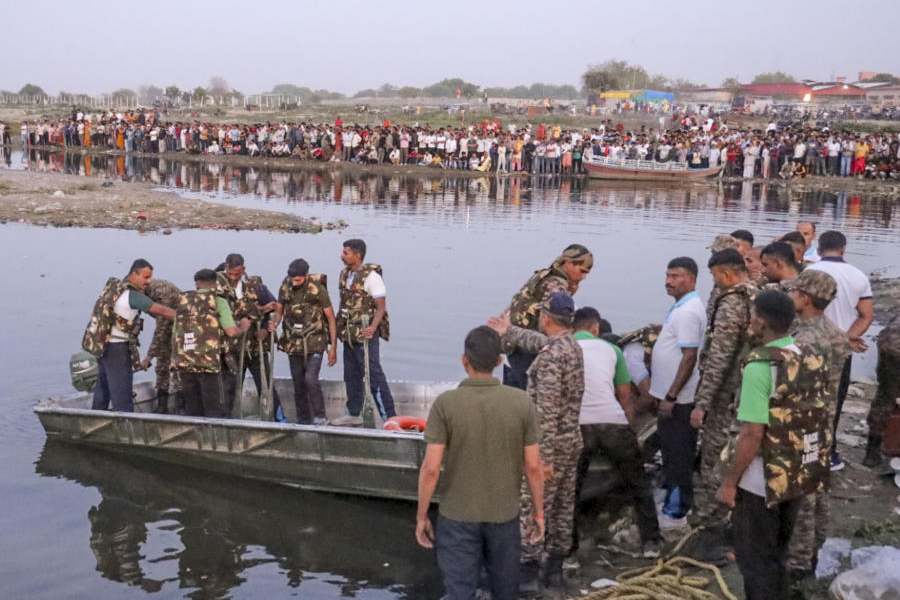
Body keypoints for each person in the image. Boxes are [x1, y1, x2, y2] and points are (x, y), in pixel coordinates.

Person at [415, 326, 545, 600]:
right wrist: (538, 514)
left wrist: (422, 516)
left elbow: (430, 469)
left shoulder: (446, 404)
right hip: (504, 517)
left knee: (459, 591)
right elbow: (533, 466)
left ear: (464, 361)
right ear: (499, 362)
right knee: (504, 591)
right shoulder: (521, 402)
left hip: (457, 516)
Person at [716, 290, 830, 600]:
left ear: (760, 321)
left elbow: (752, 433)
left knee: (755, 562)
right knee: (778, 554)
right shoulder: (809, 354)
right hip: (797, 473)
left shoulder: (759, 366)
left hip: (760, 481)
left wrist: (730, 482)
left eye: (753, 315)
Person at [488, 292, 583, 593]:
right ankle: (554, 570)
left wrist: (542, 460)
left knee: (534, 508)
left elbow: (547, 413)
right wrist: (509, 331)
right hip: (572, 441)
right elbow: (537, 342)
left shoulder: (552, 357)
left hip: (549, 446)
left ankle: (526, 576)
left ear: (545, 317)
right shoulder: (571, 345)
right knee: (563, 507)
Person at [571, 307, 663, 557]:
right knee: (639, 483)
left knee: (571, 489)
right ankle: (651, 542)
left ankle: (569, 552)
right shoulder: (611, 350)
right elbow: (625, 397)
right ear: (596, 328)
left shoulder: (561, 349)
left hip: (579, 425)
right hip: (611, 422)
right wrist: (629, 433)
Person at [690, 249, 756, 555]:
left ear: (726, 274)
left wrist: (701, 402)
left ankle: (708, 530)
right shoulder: (757, 293)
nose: (714, 283)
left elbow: (720, 357)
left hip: (726, 395)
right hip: (747, 393)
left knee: (713, 460)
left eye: (716, 277)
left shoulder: (732, 303)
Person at [784, 269, 849, 577]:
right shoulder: (834, 332)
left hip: (804, 423)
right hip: (824, 421)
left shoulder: (807, 340)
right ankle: (814, 550)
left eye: (794, 292)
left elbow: (793, 389)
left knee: (802, 496)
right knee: (818, 491)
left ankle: (798, 564)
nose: (790, 296)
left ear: (805, 298)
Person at [807, 231, 874, 470]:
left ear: (819, 247)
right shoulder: (857, 276)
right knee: (834, 400)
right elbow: (866, 315)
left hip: (809, 346)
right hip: (839, 351)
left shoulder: (809, 273)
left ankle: (805, 450)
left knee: (805, 398)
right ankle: (829, 451)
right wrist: (847, 338)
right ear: (843, 249)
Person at [650, 258, 706, 521]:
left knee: (679, 450)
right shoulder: (681, 308)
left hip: (680, 399)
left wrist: (671, 395)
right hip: (670, 395)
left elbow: (689, 357)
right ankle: (671, 491)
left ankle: (678, 507)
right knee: (670, 448)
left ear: (692, 279)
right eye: (667, 275)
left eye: (676, 276)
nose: (668, 281)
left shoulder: (688, 312)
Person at [83, 259, 175, 412]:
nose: (148, 281)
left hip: (103, 344)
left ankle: (96, 417)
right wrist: (188, 316)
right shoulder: (131, 296)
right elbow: (161, 311)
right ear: (134, 274)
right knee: (122, 393)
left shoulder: (113, 289)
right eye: (146, 277)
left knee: (103, 389)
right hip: (118, 349)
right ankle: (127, 425)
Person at [504, 244, 593, 390]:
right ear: (569, 263)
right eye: (582, 271)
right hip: (528, 352)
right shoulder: (557, 287)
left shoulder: (544, 275)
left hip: (512, 345)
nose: (583, 277)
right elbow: (554, 325)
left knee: (512, 403)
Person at [173, 269, 251, 417]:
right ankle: (216, 439)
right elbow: (231, 331)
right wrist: (243, 327)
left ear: (197, 283)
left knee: (193, 410)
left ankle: (196, 439)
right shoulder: (218, 300)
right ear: (215, 283)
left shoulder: (182, 301)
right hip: (210, 365)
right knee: (215, 411)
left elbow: (175, 333)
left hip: (186, 364)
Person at [336, 239, 396, 420]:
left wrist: (372, 328)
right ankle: (354, 413)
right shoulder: (345, 274)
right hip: (349, 335)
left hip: (365, 336)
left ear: (357, 255)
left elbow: (381, 308)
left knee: (374, 375)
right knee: (351, 375)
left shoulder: (372, 278)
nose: (342, 255)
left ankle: (389, 417)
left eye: (346, 252)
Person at [274, 259, 337, 425]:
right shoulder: (285, 286)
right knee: (298, 381)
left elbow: (331, 318)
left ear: (306, 276)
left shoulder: (318, 289)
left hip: (315, 341)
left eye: (298, 280)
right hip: (293, 342)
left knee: (311, 379)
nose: (295, 283)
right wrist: (273, 324)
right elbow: (279, 312)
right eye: (292, 279)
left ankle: (320, 416)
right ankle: (303, 419)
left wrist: (333, 349)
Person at [217, 253, 280, 417]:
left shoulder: (255, 286)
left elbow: (275, 307)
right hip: (233, 349)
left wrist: (267, 329)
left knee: (265, 385)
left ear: (243, 269)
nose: (233, 277)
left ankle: (278, 418)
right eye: (230, 274)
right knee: (230, 386)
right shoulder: (219, 288)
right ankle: (227, 421)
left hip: (255, 347)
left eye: (236, 274)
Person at [863, 314, 900, 467]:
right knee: (887, 397)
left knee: (885, 396)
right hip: (893, 345)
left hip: (888, 342)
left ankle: (872, 452)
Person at [143, 279, 182, 413]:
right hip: (168, 326)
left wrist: (148, 357)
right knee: (161, 366)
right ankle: (162, 406)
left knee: (177, 368)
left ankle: (180, 407)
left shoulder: (161, 292)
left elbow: (161, 328)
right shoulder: (141, 294)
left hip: (181, 329)